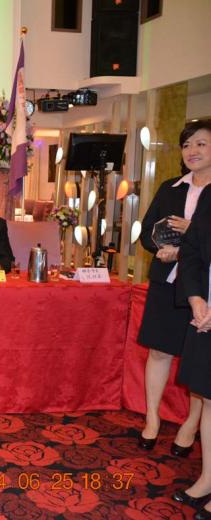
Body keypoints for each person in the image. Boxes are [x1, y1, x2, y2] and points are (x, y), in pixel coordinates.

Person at [137, 119, 211, 456]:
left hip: (203, 291)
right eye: (187, 145)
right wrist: (162, 249)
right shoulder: (171, 188)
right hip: (166, 282)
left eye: (201, 144)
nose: (192, 151)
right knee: (159, 351)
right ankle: (152, 417)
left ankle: (191, 424)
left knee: (197, 362)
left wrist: (190, 235)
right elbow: (146, 233)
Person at [173, 184, 211, 519]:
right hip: (206, 312)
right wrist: (196, 297)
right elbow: (193, 250)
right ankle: (208, 477)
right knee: (208, 396)